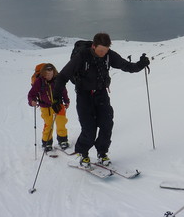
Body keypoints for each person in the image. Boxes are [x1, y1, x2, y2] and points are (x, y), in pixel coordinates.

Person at [53, 32, 150, 168]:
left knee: (107, 124)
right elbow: (62, 76)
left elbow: (126, 66)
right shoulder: (82, 56)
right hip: (84, 95)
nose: (102, 54)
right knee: (89, 129)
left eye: (105, 51)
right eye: (100, 51)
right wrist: (56, 98)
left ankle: (102, 153)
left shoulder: (109, 55)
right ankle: (84, 154)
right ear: (93, 46)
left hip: (101, 94)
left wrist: (140, 64)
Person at [28, 63, 70, 152]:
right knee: (48, 124)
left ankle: (63, 140)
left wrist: (66, 101)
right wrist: (32, 101)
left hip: (58, 104)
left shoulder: (58, 79)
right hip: (45, 107)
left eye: (51, 74)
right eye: (47, 74)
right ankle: (47, 142)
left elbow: (63, 91)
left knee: (61, 122)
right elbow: (31, 94)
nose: (49, 76)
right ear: (43, 73)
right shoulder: (39, 82)